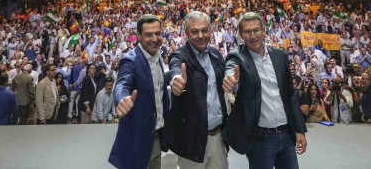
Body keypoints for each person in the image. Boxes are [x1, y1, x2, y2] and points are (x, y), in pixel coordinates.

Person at [222, 12, 307, 169]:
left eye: (256, 30)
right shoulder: (237, 56)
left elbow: (290, 95)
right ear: (241, 35)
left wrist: (299, 130)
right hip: (260, 139)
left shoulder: (280, 56)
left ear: (263, 30)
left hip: (287, 135)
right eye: (247, 32)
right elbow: (230, 68)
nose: (253, 36)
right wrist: (229, 78)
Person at [164, 11, 229, 168]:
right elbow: (175, 68)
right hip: (191, 141)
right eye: (195, 31)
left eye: (204, 30)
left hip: (217, 138)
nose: (200, 35)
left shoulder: (215, 55)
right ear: (186, 33)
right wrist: (176, 80)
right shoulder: (179, 55)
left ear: (210, 30)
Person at [109, 14, 170, 169]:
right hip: (137, 140)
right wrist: (121, 98)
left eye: (158, 33)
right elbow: (123, 83)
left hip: (155, 136)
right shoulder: (131, 60)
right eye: (148, 34)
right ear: (139, 35)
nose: (154, 38)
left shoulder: (157, 57)